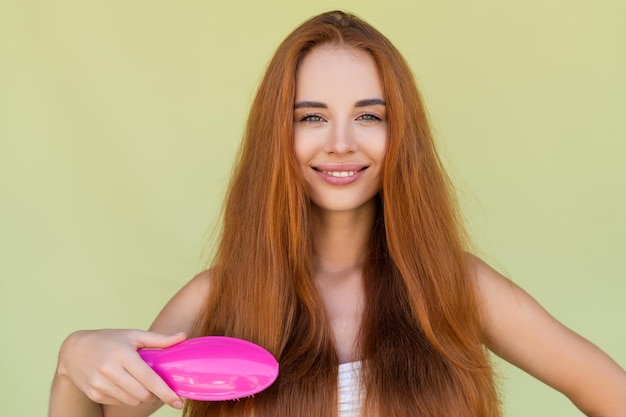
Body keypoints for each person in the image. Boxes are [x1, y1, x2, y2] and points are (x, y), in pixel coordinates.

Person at [48, 10, 626, 417]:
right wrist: (73, 360)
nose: (342, 142)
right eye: (312, 117)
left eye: (370, 116)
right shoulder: (216, 299)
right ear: (278, 135)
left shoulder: (457, 286)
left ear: (401, 133)